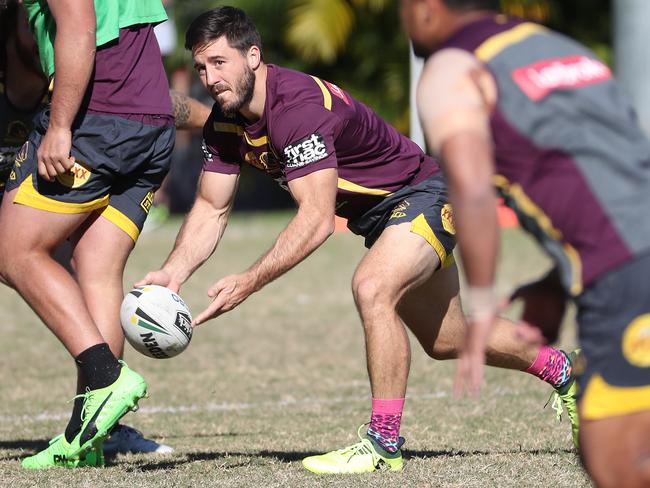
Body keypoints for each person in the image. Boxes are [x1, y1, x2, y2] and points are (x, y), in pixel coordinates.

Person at [138, 6, 578, 475]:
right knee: (449, 339)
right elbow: (210, 207)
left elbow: (316, 219)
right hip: (387, 217)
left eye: (219, 63)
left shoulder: (296, 109)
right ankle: (568, 372)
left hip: (425, 193)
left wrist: (250, 280)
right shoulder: (225, 123)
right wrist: (173, 273)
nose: (209, 77)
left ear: (253, 56)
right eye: (202, 67)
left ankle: (383, 444)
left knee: (373, 288)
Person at [401, 0, 650, 486]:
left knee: (617, 460)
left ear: (426, 8)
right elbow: (626, 175)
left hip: (624, 275)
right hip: (627, 261)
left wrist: (481, 306)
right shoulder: (559, 49)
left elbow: (471, 191)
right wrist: (556, 285)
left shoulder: (453, 66)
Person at [0, 0, 178, 469]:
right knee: (97, 269)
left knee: (13, 250)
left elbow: (77, 22)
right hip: (151, 119)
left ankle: (105, 377)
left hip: (96, 116)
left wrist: (59, 127)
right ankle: (89, 436)